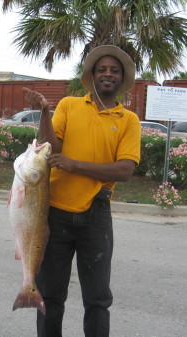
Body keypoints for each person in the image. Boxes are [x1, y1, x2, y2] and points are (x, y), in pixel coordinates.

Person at [22, 45, 141, 337]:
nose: (108, 74)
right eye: (102, 69)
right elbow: (51, 148)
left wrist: (75, 165)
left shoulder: (128, 120)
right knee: (50, 296)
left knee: (98, 299)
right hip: (54, 214)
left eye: (114, 70)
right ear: (92, 75)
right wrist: (46, 113)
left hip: (96, 215)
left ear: (121, 78)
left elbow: (125, 170)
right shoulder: (69, 105)